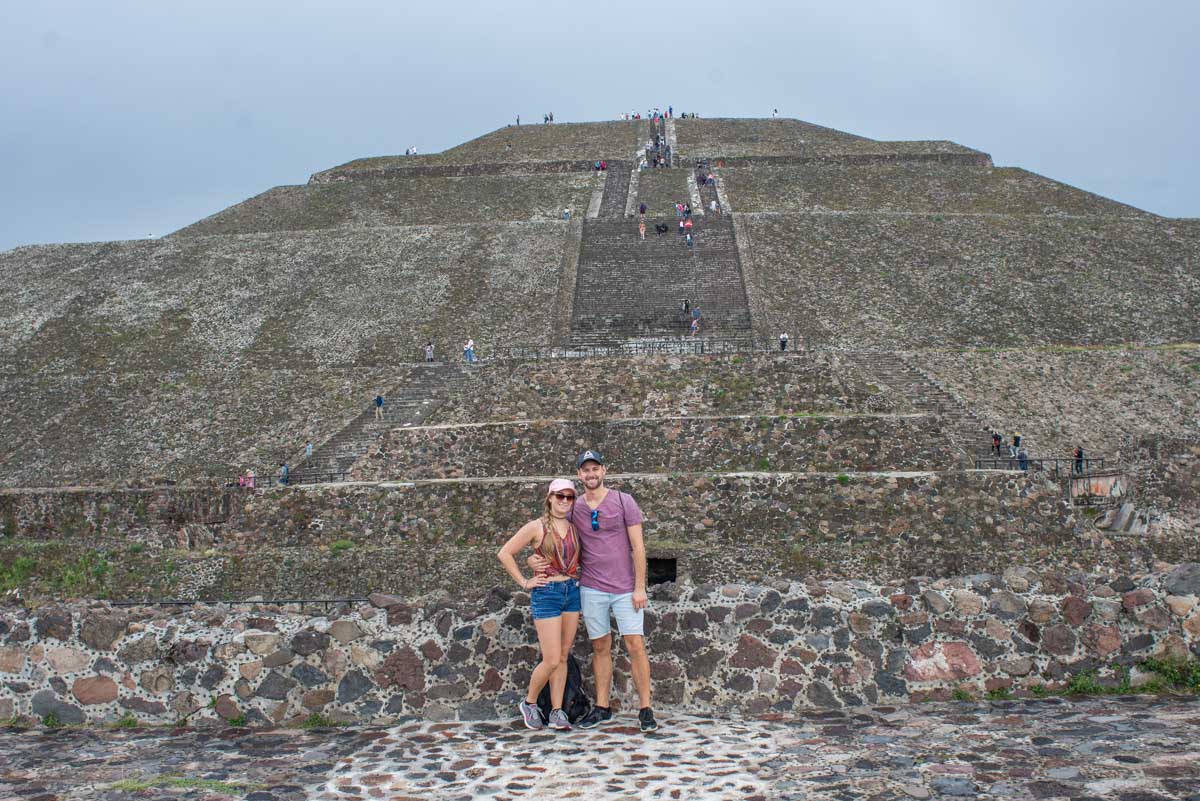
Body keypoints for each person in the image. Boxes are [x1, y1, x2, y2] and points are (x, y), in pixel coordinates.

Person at [533, 451, 657, 732]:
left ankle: (645, 708)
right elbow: (550, 532)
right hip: (591, 587)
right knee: (600, 647)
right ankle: (602, 707)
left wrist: (640, 587)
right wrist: (532, 558)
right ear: (579, 475)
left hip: (625, 588)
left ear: (604, 471)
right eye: (585, 470)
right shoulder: (573, 507)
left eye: (595, 469)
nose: (591, 474)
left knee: (635, 645)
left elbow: (638, 547)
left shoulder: (624, 501)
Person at [497, 479, 582, 731]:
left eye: (569, 497)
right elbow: (504, 553)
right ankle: (530, 702)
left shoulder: (575, 527)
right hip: (547, 593)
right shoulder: (537, 527)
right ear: (550, 498)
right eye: (560, 496)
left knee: (563, 655)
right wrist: (525, 581)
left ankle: (557, 711)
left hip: (572, 591)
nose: (564, 501)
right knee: (552, 658)